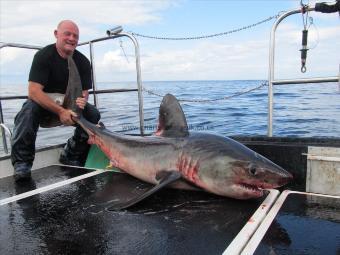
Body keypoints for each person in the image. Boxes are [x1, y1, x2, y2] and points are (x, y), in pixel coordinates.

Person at [11, 20, 100, 182]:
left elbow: (84, 92)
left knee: (93, 113)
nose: (72, 38)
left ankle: (71, 154)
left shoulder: (83, 62)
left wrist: (81, 103)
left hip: (70, 107)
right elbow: (33, 91)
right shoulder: (44, 56)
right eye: (68, 34)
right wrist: (60, 111)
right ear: (56, 34)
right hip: (45, 107)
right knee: (28, 109)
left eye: (76, 36)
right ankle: (22, 163)